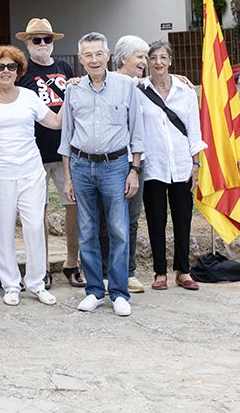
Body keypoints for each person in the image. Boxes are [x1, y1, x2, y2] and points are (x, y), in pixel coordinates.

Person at [59, 32, 144, 318]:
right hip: (81, 166)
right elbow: (67, 136)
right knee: (87, 230)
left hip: (115, 166)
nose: (94, 60)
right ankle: (94, 290)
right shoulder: (73, 90)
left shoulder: (126, 86)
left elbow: (137, 132)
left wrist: (134, 170)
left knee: (118, 229)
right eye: (88, 55)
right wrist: (68, 177)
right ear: (80, 59)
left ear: (108, 56)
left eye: (98, 54)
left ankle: (119, 293)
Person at [0, 45, 60, 308]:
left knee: (34, 227)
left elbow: (55, 122)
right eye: (0, 67)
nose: (6, 71)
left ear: (18, 70)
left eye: (11, 66)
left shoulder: (29, 97)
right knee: (2, 230)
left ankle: (37, 283)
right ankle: (10, 284)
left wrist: (72, 94)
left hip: (30, 171)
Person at [14, 18, 81, 291]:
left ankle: (72, 263)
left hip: (66, 151)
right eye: (36, 40)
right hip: (34, 152)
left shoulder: (65, 68)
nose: (42, 44)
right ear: (27, 43)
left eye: (47, 39)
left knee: (73, 206)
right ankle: (41, 268)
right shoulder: (21, 72)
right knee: (36, 211)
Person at [141, 40, 204, 291]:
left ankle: (183, 270)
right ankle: (159, 272)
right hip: (153, 165)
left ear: (170, 60)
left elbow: (194, 129)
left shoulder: (185, 91)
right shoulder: (139, 90)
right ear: (147, 61)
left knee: (182, 219)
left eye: (163, 57)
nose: (158, 62)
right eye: (153, 57)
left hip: (181, 164)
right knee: (156, 220)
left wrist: (196, 162)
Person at [102, 35, 151, 294]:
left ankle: (128, 272)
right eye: (139, 57)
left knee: (131, 218)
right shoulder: (106, 83)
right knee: (106, 218)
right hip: (111, 162)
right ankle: (105, 273)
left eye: (146, 57)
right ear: (123, 58)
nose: (145, 62)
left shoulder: (142, 86)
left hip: (136, 161)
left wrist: (179, 78)